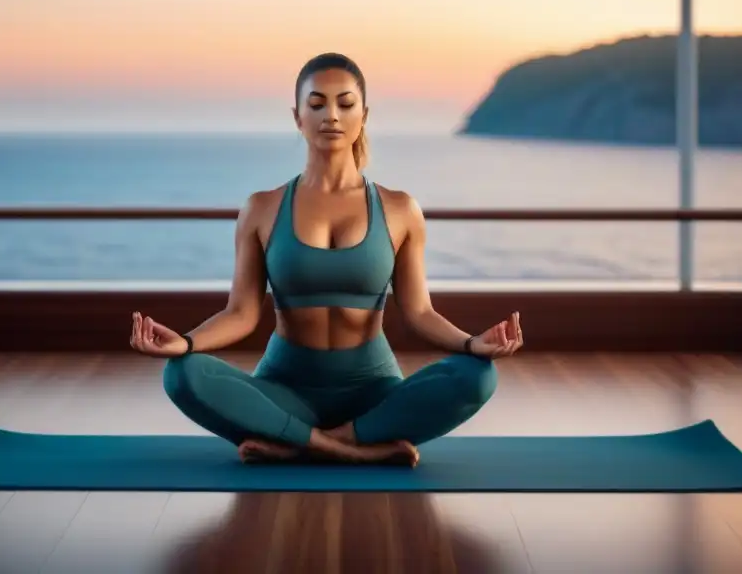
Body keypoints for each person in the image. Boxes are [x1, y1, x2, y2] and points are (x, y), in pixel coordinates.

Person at [129, 52, 524, 466]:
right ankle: (352, 449)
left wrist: (471, 343)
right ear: (297, 117)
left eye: (345, 103)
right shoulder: (262, 208)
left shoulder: (400, 209)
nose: (331, 115)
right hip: (285, 391)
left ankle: (302, 443)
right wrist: (186, 342)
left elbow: (420, 312)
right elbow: (242, 313)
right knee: (181, 374)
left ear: (364, 115)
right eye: (316, 104)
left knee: (477, 376)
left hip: (374, 394)